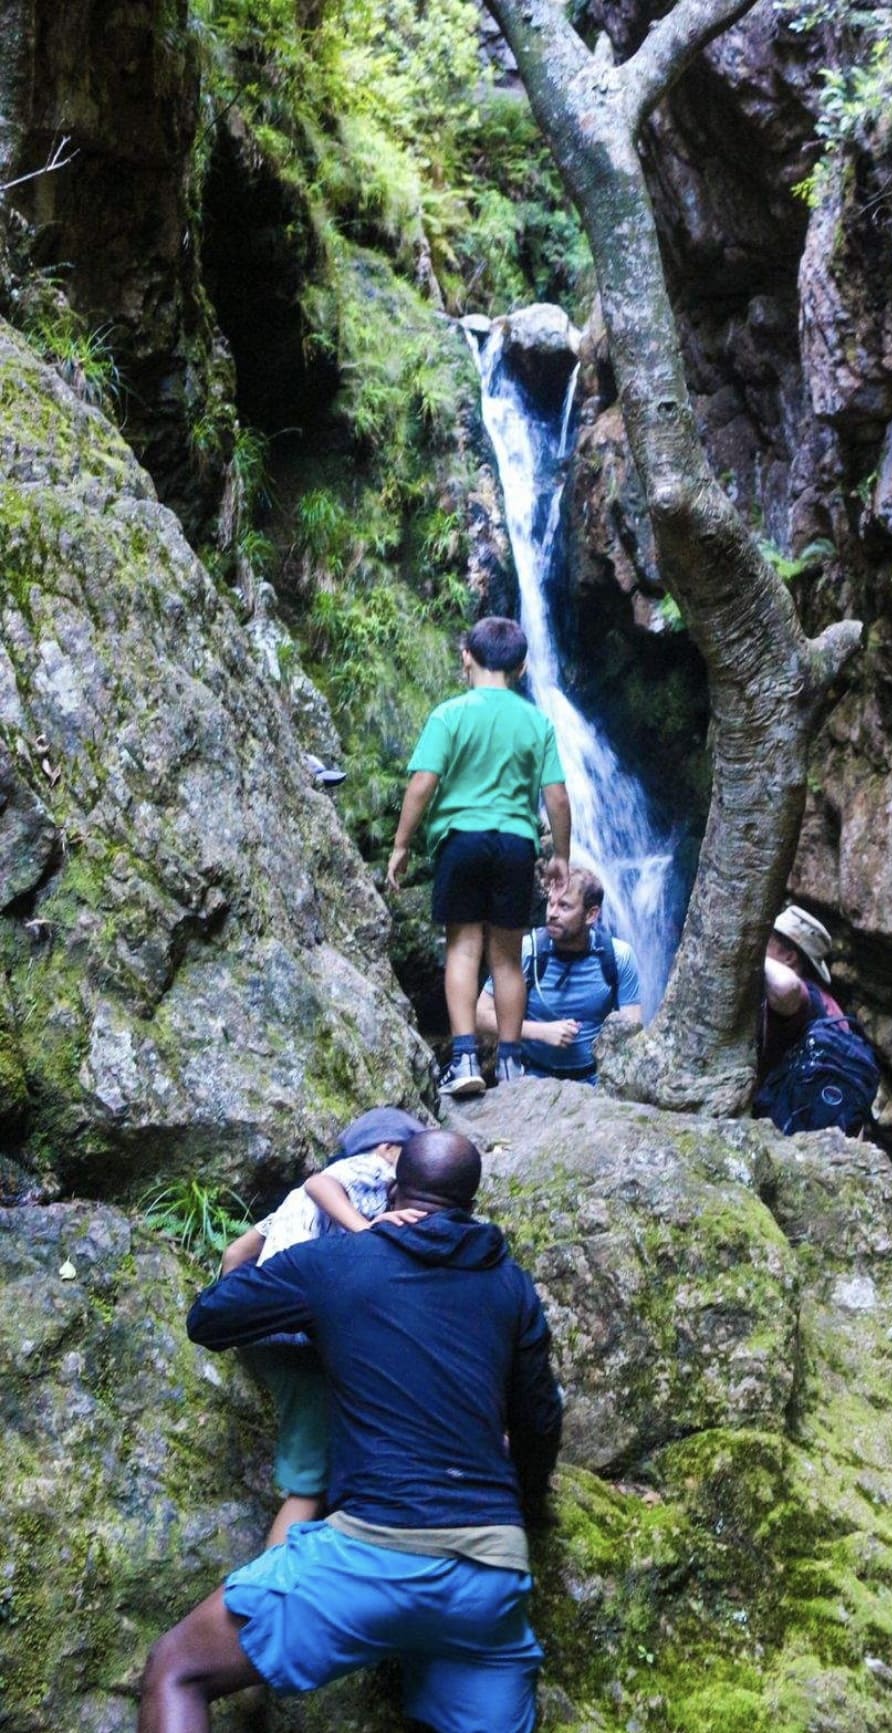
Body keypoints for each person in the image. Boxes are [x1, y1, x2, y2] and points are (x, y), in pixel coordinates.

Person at [139, 1130, 562, 1733]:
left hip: (370, 1553)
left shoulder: (338, 1264)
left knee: (176, 1668)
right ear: (471, 1204)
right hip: (489, 1576)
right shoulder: (509, 1284)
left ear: (391, 1191)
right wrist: (529, 1496)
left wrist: (322, 1308)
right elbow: (540, 1422)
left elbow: (210, 1318)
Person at [219, 1104, 427, 1546]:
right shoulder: (367, 1170)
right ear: (389, 1148)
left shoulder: (294, 1206)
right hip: (301, 1336)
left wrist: (244, 1325)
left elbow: (235, 1255)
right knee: (309, 1483)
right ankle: (268, 1594)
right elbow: (321, 1182)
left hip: (271, 1329)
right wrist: (367, 1230)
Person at [386, 617, 571, 1098]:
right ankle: (511, 1064)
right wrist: (562, 859)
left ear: (466, 655)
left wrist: (402, 844)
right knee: (507, 958)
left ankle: (465, 1057)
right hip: (515, 843)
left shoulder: (449, 714)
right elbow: (557, 797)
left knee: (463, 948)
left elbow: (422, 783)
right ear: (522, 666)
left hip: (461, 840)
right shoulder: (536, 721)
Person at [476, 868, 641, 1083]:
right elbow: (480, 1016)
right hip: (530, 1080)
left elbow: (632, 1030)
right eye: (550, 903)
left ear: (591, 914)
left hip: (595, 1083)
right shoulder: (527, 952)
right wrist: (540, 1031)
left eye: (564, 906)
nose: (552, 913)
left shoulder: (617, 957)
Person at [755, 904, 879, 1136]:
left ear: (790, 957)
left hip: (784, 1129)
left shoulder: (806, 998)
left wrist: (748, 952)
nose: (761, 944)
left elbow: (785, 987)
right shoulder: (830, 1004)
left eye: (766, 942)